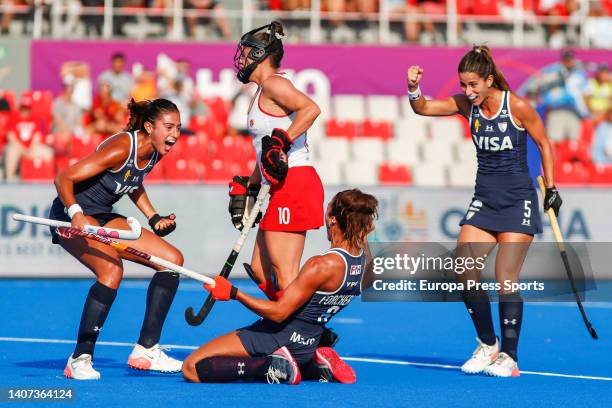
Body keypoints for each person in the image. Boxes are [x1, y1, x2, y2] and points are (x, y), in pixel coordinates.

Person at [407, 45, 562, 377]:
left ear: (490, 80)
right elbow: (423, 108)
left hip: (518, 200)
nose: (467, 91)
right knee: (463, 269)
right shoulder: (467, 105)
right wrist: (413, 87)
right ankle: (488, 344)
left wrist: (551, 188)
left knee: (506, 276)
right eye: (464, 85)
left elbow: (544, 143)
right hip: (485, 200)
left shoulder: (516, 105)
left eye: (474, 85)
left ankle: (510, 356)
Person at [182, 189, 378, 384]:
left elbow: (279, 313)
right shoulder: (365, 264)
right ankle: (315, 367)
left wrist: (233, 293)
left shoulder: (320, 266)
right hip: (308, 344)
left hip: (278, 336)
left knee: (191, 367)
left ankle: (272, 365)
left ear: (332, 219)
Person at [49, 98, 184, 380]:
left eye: (178, 128)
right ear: (149, 126)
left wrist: (153, 217)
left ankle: (146, 350)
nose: (174, 134)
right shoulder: (123, 146)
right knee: (111, 270)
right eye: (168, 127)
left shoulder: (156, 150)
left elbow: (133, 182)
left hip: (102, 215)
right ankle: (80, 358)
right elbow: (63, 178)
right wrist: (76, 214)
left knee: (172, 261)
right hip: (68, 214)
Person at [229, 22, 324, 304]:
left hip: (295, 180)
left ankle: (305, 336)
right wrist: (251, 186)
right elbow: (265, 151)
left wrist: (283, 141)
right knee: (260, 270)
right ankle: (302, 329)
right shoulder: (259, 93)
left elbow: (311, 109)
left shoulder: (274, 84)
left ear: (260, 54)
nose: (241, 59)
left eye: (246, 53)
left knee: (285, 274)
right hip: (278, 184)